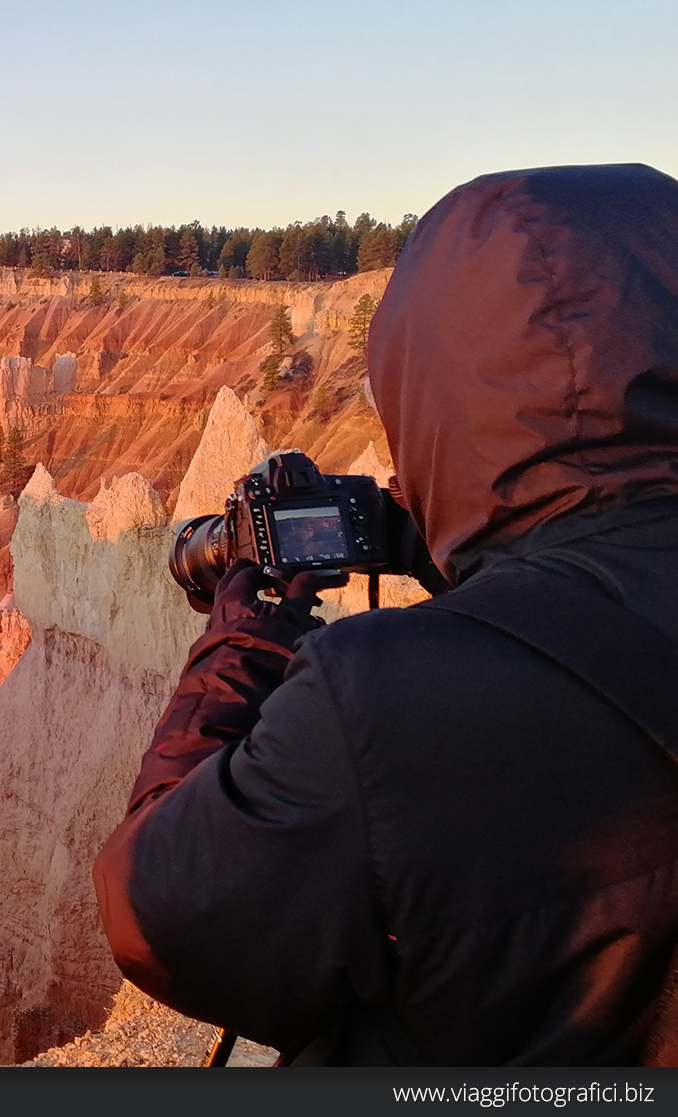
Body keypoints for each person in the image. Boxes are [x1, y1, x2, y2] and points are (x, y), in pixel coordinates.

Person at [92, 163, 678, 1065]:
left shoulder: (381, 701)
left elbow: (157, 912)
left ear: (433, 388)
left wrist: (243, 638)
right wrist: (443, 538)